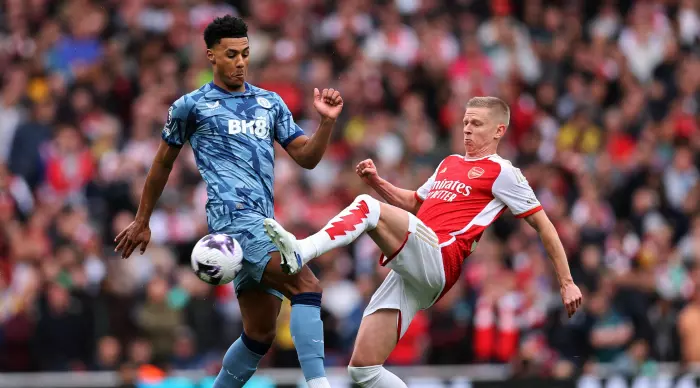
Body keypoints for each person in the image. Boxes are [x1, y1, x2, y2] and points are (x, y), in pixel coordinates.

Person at [264, 96, 583, 387]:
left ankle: (301, 249)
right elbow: (417, 203)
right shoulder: (450, 163)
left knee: (366, 207)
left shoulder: (504, 172)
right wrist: (377, 182)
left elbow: (544, 225)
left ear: (499, 130)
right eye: (465, 123)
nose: (468, 130)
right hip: (415, 269)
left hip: (441, 256)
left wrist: (566, 282)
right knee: (363, 370)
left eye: (477, 124)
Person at [114, 15, 342, 388]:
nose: (240, 61)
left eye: (246, 54)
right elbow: (161, 165)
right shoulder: (191, 106)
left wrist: (327, 124)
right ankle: (319, 385)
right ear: (211, 56)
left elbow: (307, 157)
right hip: (233, 221)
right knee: (308, 286)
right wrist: (142, 219)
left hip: (265, 223)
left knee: (260, 334)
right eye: (231, 54)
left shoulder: (269, 103)